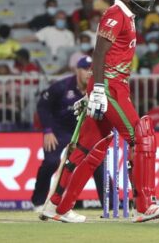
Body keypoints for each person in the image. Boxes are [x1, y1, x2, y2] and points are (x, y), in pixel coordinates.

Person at [40, 0, 159, 223]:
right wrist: (98, 89)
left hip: (111, 86)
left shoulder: (127, 15)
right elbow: (98, 53)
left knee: (88, 148)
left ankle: (58, 207)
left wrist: (94, 90)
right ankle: (144, 206)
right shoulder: (115, 13)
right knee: (140, 138)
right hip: (110, 87)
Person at [31, 57, 105, 211]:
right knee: (51, 163)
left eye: (91, 70)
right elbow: (43, 107)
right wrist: (47, 130)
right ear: (77, 70)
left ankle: (110, 205)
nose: (88, 73)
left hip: (83, 133)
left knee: (97, 164)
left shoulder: (97, 90)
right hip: (59, 132)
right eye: (85, 69)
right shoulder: (62, 87)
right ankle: (38, 202)